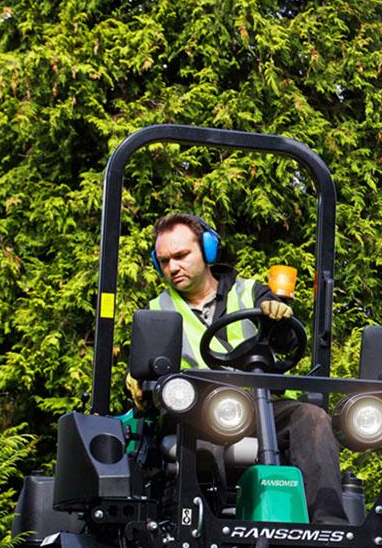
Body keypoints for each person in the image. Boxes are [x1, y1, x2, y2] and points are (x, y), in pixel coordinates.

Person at [144, 213, 348, 525]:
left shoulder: (251, 293)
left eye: (182, 255)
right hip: (197, 412)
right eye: (165, 260)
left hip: (261, 406)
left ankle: (330, 528)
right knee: (201, 431)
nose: (173, 267)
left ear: (208, 251)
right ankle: (202, 524)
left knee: (313, 417)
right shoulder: (158, 312)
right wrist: (141, 383)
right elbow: (149, 379)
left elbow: (287, 339)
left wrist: (276, 318)